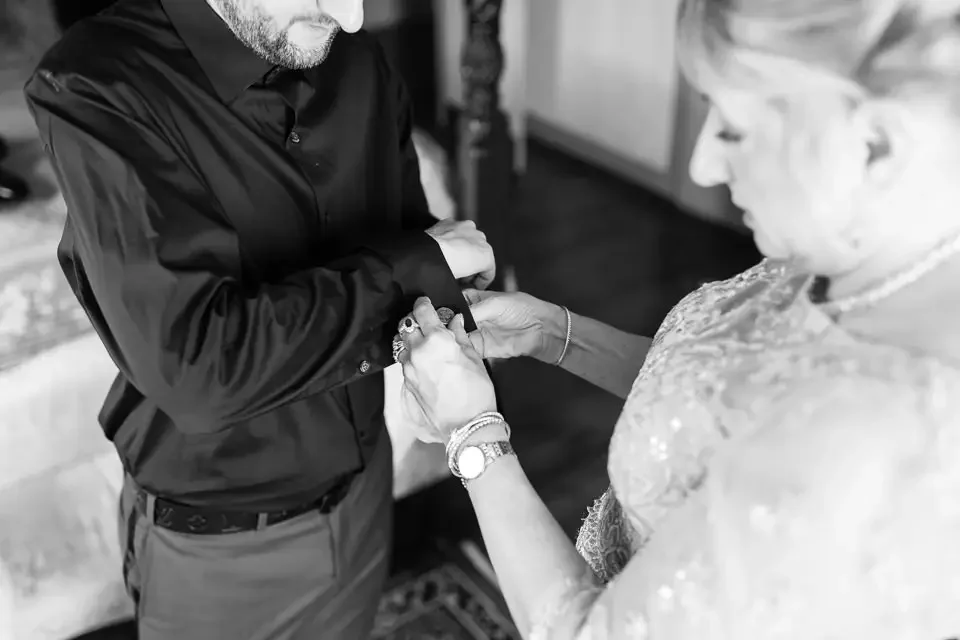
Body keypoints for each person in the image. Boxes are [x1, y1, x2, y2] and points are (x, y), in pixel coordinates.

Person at [394, 0, 960, 637]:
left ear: (876, 144)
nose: (703, 165)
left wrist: (471, 431)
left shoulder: (864, 437)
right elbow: (714, 405)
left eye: (734, 129)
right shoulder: (862, 261)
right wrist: (553, 333)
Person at [24, 1, 494, 638]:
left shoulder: (357, 61)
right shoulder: (96, 87)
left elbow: (407, 240)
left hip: (364, 490)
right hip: (222, 556)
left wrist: (452, 298)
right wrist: (417, 267)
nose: (352, 19)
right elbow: (201, 366)